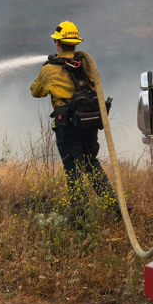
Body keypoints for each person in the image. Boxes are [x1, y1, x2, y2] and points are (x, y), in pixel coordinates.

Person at [30, 21, 118, 206]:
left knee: (73, 170)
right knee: (91, 163)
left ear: (58, 44)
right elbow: (96, 85)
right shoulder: (86, 63)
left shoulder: (49, 69)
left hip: (68, 127)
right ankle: (114, 206)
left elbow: (36, 92)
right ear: (75, 43)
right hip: (89, 122)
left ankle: (81, 218)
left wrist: (50, 67)